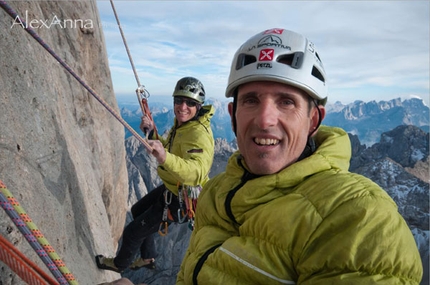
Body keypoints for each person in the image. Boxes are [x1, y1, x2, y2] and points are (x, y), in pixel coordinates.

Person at [177, 28, 423, 284]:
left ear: (313, 120)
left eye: (286, 102)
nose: (265, 119)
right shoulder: (214, 192)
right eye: (251, 100)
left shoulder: (358, 215)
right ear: (232, 115)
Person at [96, 76, 215, 273]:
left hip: (181, 198)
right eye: (179, 100)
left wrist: (164, 157)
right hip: (172, 187)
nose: (182, 106)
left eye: (190, 103)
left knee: (132, 232)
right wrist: (151, 133)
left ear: (199, 106)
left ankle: (119, 265)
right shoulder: (183, 125)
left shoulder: (198, 134)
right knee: (137, 210)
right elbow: (167, 148)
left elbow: (196, 172)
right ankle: (148, 257)